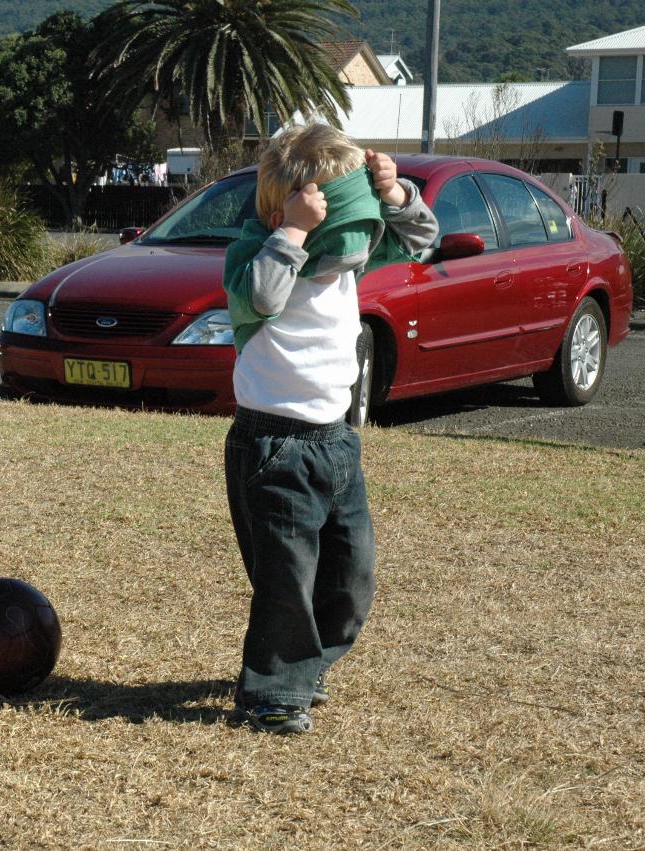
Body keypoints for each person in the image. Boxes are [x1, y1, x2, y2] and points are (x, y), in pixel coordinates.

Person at [222, 124, 438, 734]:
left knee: (351, 570)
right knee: (286, 577)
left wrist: (393, 196)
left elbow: (423, 240)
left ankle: (308, 662)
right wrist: (293, 230)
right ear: (283, 211)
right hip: (273, 444)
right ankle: (274, 693)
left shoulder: (345, 263)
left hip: (337, 440)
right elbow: (262, 297)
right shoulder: (257, 257)